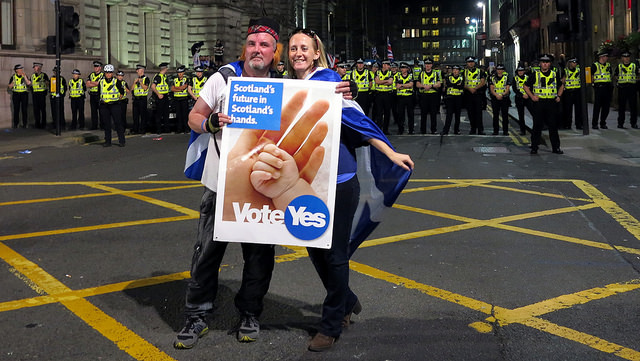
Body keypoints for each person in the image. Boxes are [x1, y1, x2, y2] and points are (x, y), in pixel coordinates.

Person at [285, 27, 414, 352]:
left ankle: (331, 326)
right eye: (292, 48)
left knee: (335, 253)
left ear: (317, 53)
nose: (298, 52)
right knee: (313, 247)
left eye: (304, 47)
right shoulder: (285, 87)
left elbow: (358, 121)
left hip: (339, 183)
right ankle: (346, 300)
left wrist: (390, 151)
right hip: (305, 184)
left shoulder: (328, 81)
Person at [524, 54, 563, 155]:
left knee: (553, 126)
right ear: (540, 64)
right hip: (539, 103)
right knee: (537, 126)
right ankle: (534, 147)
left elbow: (561, 85)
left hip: (551, 102)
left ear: (550, 64)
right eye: (543, 62)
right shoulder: (535, 74)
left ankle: (556, 147)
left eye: (547, 62)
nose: (545, 64)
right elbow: (526, 86)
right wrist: (532, 97)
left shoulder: (554, 74)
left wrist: (559, 96)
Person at [99, 64, 126, 147]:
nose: (108, 74)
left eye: (110, 72)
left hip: (114, 105)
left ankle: (121, 141)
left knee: (118, 123)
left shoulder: (116, 81)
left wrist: (117, 100)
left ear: (112, 73)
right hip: (104, 105)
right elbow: (99, 92)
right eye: (106, 72)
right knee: (106, 124)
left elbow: (122, 92)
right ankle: (108, 141)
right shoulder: (101, 81)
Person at [416, 58, 442, 134]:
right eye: (426, 64)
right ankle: (423, 130)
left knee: (433, 113)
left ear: (431, 65)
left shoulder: (435, 73)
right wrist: (424, 86)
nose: (427, 65)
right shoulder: (421, 73)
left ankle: (433, 129)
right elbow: (417, 84)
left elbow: (439, 84)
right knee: (423, 113)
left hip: (433, 95)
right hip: (424, 95)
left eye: (429, 64)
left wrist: (431, 85)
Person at [614, 51, 638, 129]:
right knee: (621, 107)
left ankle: (633, 123)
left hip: (632, 87)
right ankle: (620, 123)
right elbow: (615, 76)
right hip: (622, 88)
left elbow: (638, 75)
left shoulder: (634, 66)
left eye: (628, 57)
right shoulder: (619, 66)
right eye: (625, 57)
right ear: (622, 58)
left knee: (633, 107)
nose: (626, 59)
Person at [463, 56, 486, 135]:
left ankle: (480, 129)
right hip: (468, 94)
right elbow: (462, 83)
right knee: (470, 112)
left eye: (472, 62)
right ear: (467, 63)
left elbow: (483, 82)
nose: (471, 63)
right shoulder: (463, 72)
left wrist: (475, 88)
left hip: (477, 94)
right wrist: (470, 89)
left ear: (474, 63)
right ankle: (473, 128)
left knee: (478, 112)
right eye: (469, 62)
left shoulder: (480, 71)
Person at [591, 51, 613, 129]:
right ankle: (594, 123)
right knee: (597, 106)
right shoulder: (595, 65)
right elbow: (591, 76)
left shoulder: (608, 65)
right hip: (599, 88)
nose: (607, 58)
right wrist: (593, 84)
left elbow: (610, 74)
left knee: (606, 107)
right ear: (601, 57)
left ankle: (603, 123)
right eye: (606, 56)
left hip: (607, 87)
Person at [441, 64, 465, 135]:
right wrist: (456, 85)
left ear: (459, 71)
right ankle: (446, 130)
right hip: (450, 98)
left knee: (458, 115)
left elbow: (461, 86)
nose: (455, 71)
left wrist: (453, 85)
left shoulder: (462, 77)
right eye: (454, 70)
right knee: (449, 115)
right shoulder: (448, 77)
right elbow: (448, 84)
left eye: (457, 70)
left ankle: (456, 130)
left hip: (458, 98)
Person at [488, 64, 511, 135]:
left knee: (505, 115)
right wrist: (497, 95)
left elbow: (507, 88)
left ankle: (505, 131)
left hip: (504, 98)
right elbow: (491, 88)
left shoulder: (506, 77)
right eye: (498, 69)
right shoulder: (492, 78)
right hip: (495, 98)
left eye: (501, 69)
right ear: (496, 70)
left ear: (503, 70)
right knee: (495, 115)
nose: (500, 71)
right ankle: (496, 131)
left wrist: (502, 95)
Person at [561, 58, 583, 130]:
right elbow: (562, 81)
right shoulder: (565, 71)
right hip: (568, 92)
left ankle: (578, 124)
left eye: (576, 62)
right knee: (568, 109)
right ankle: (567, 124)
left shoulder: (579, 70)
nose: (575, 64)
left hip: (577, 91)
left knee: (578, 109)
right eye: (573, 62)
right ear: (570, 63)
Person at [8, 64, 31, 128]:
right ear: (16, 70)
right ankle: (16, 124)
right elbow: (9, 86)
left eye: (21, 69)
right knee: (16, 109)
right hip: (16, 94)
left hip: (24, 94)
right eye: (20, 69)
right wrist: (11, 84)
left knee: (24, 109)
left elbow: (29, 83)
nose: (21, 70)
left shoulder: (25, 76)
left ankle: (25, 124)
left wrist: (25, 77)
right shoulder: (13, 77)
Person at [374, 60, 394, 134]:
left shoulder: (390, 72)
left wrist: (381, 81)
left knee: (387, 112)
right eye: (387, 65)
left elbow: (390, 82)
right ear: (383, 65)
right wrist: (386, 81)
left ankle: (386, 129)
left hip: (387, 94)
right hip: (379, 94)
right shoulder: (377, 72)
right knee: (379, 112)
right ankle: (379, 129)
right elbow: (377, 82)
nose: (389, 66)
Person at [394, 63, 414, 134]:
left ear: (407, 69)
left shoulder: (411, 76)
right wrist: (406, 85)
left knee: (410, 114)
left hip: (409, 97)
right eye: (401, 68)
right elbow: (396, 86)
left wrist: (402, 85)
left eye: (404, 68)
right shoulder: (397, 76)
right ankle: (400, 130)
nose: (402, 69)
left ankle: (411, 130)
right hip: (400, 97)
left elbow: (411, 85)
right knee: (400, 115)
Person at [513, 65, 532, 135]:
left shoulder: (528, 78)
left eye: (521, 71)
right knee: (521, 115)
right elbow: (515, 89)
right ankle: (522, 130)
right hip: (519, 98)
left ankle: (536, 128)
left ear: (524, 71)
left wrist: (528, 95)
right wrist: (522, 95)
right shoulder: (515, 78)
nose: (520, 72)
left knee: (533, 113)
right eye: (519, 71)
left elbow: (531, 87)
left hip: (528, 98)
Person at [152, 62, 170, 133]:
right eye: (166, 68)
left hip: (165, 96)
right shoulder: (158, 77)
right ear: (164, 69)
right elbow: (153, 86)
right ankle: (159, 129)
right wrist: (158, 94)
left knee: (166, 113)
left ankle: (166, 129)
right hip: (160, 97)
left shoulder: (164, 77)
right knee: (159, 114)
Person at [131, 64, 150, 134]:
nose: (137, 71)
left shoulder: (146, 79)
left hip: (142, 99)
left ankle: (143, 129)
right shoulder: (135, 79)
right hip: (136, 99)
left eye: (138, 70)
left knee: (143, 115)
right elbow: (132, 89)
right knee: (135, 115)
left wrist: (140, 82)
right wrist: (134, 82)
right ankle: (135, 129)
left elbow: (145, 88)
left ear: (142, 70)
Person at [86, 61, 104, 130]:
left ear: (100, 67)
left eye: (97, 67)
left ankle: (102, 125)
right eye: (94, 67)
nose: (95, 68)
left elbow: (100, 84)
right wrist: (95, 83)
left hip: (99, 95)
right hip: (92, 95)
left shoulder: (102, 75)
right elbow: (87, 84)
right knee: (93, 111)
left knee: (101, 111)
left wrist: (91, 82)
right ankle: (94, 125)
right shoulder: (91, 74)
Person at [172, 65, 190, 133]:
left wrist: (177, 88)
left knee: (185, 115)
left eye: (181, 72)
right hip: (177, 99)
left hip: (184, 99)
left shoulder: (186, 79)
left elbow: (184, 87)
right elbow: (172, 89)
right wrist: (180, 88)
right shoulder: (175, 79)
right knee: (178, 115)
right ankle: (179, 129)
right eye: (178, 72)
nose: (179, 74)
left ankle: (186, 128)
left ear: (183, 73)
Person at [30, 62, 49, 129]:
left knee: (42, 109)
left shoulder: (44, 75)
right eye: (34, 67)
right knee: (36, 110)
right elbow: (30, 84)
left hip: (41, 94)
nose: (34, 69)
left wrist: (43, 81)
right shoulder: (32, 76)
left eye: (35, 67)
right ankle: (37, 123)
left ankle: (43, 124)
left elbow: (47, 84)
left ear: (38, 67)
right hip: (35, 94)